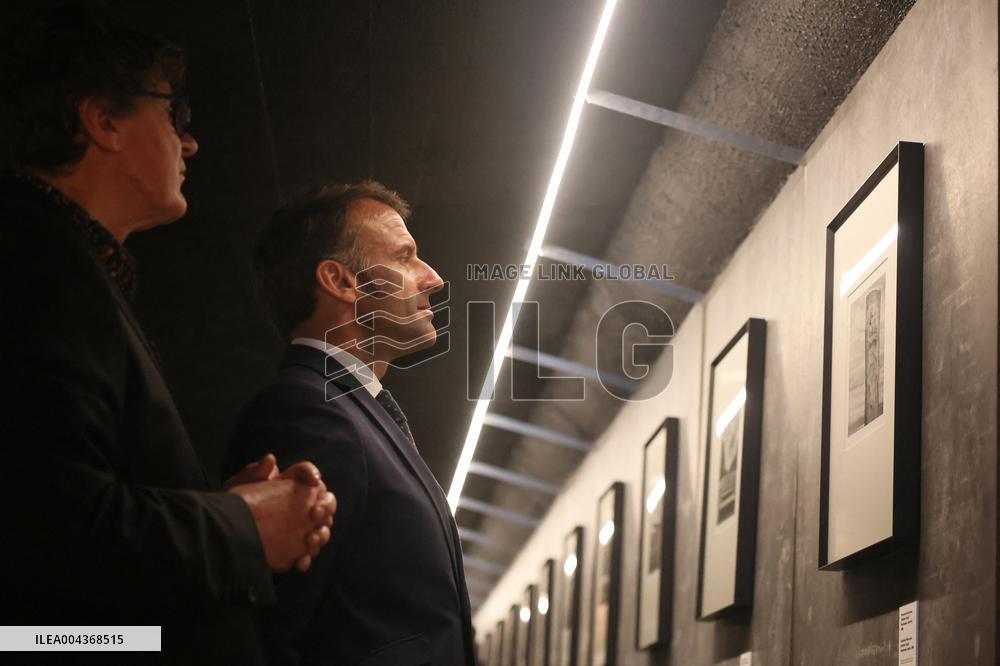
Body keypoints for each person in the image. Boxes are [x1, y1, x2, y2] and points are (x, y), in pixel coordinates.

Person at [0, 7, 335, 663]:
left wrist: (217, 504)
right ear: (102, 121)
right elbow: (49, 550)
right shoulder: (34, 268)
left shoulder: (67, 267)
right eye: (173, 114)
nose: (190, 143)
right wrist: (242, 527)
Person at [225, 181, 475, 665]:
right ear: (341, 282)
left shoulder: (352, 410)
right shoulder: (308, 411)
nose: (433, 278)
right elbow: (267, 630)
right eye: (405, 257)